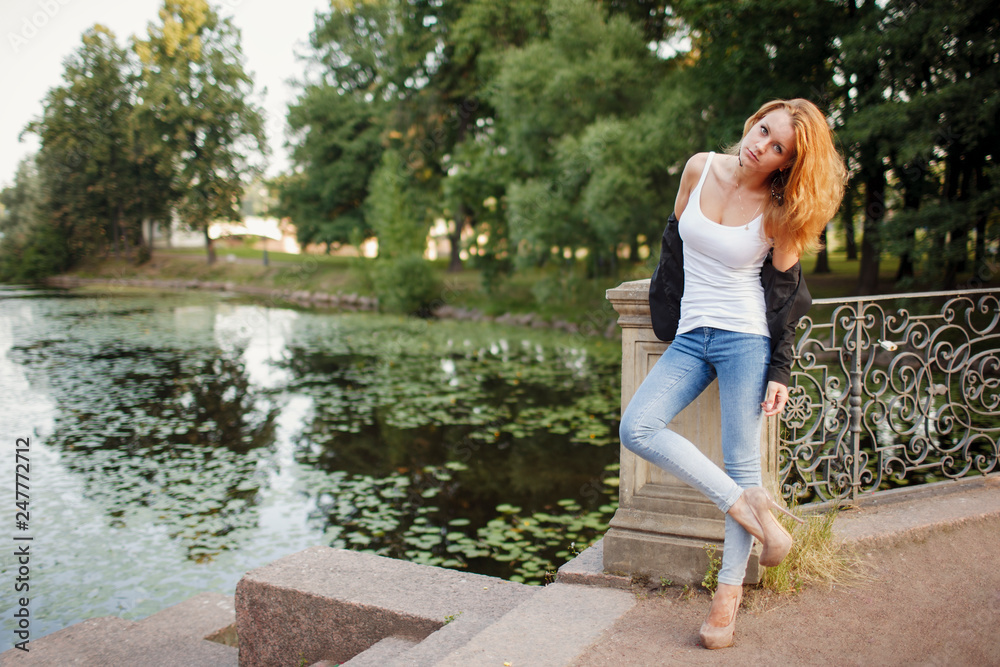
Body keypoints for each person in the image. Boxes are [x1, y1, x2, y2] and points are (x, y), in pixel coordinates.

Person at [619, 98, 846, 649]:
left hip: (746, 339)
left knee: (743, 462)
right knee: (637, 427)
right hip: (692, 336)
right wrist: (663, 310)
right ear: (753, 121)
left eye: (777, 148)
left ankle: (727, 598)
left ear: (786, 163)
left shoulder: (779, 210)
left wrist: (781, 369)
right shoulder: (699, 167)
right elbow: (672, 245)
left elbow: (789, 295)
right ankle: (747, 508)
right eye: (763, 131)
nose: (761, 146)